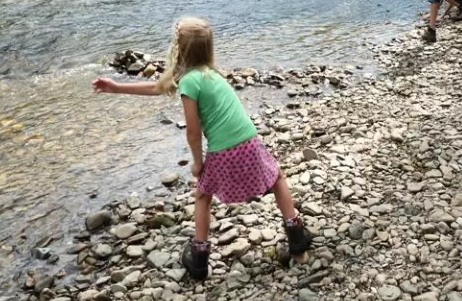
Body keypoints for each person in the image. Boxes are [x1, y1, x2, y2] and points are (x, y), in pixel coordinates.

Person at [92, 18, 311, 279]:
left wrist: (198, 162)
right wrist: (116, 87)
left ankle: (198, 259)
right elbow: (158, 87)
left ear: (178, 50)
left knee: (203, 196)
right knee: (277, 179)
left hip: (224, 149)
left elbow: (193, 132)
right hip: (249, 140)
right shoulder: (210, 74)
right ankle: (297, 239)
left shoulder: (189, 82)